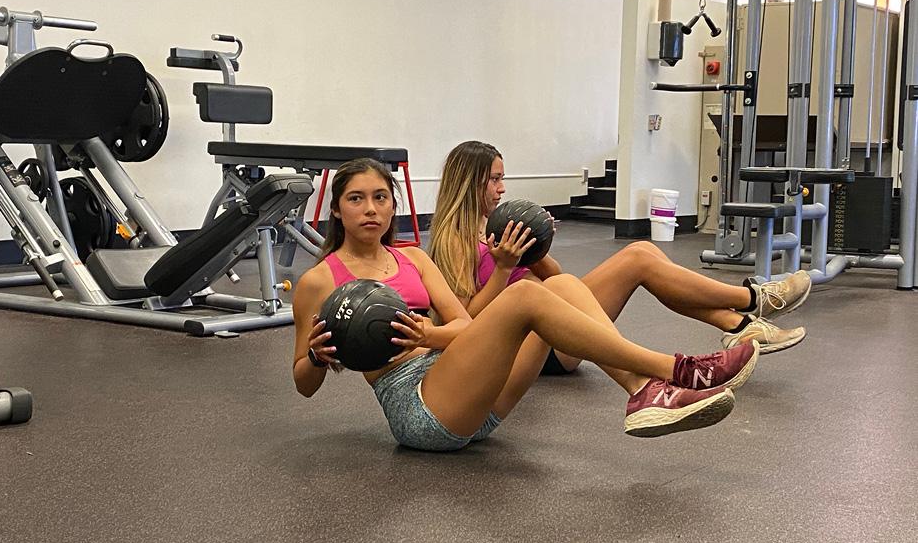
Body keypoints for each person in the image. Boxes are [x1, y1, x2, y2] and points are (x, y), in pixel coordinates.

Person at [292, 158, 760, 451]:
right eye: (356, 199)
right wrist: (315, 356)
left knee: (560, 287)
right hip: (419, 409)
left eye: (380, 198)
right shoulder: (319, 281)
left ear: (392, 207)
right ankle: (673, 369)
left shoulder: (412, 257)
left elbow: (462, 324)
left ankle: (643, 389)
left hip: (468, 386)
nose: (370, 209)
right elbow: (304, 385)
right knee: (525, 294)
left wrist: (429, 335)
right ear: (337, 210)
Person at [428, 141, 810, 377]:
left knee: (641, 251)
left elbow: (557, 279)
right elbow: (468, 320)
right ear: (470, 181)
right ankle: (753, 299)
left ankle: (741, 322)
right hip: (530, 350)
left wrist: (537, 250)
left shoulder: (490, 229)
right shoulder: (452, 240)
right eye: (494, 179)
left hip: (551, 323)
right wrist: (506, 268)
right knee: (638, 260)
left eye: (502, 178)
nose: (502, 188)